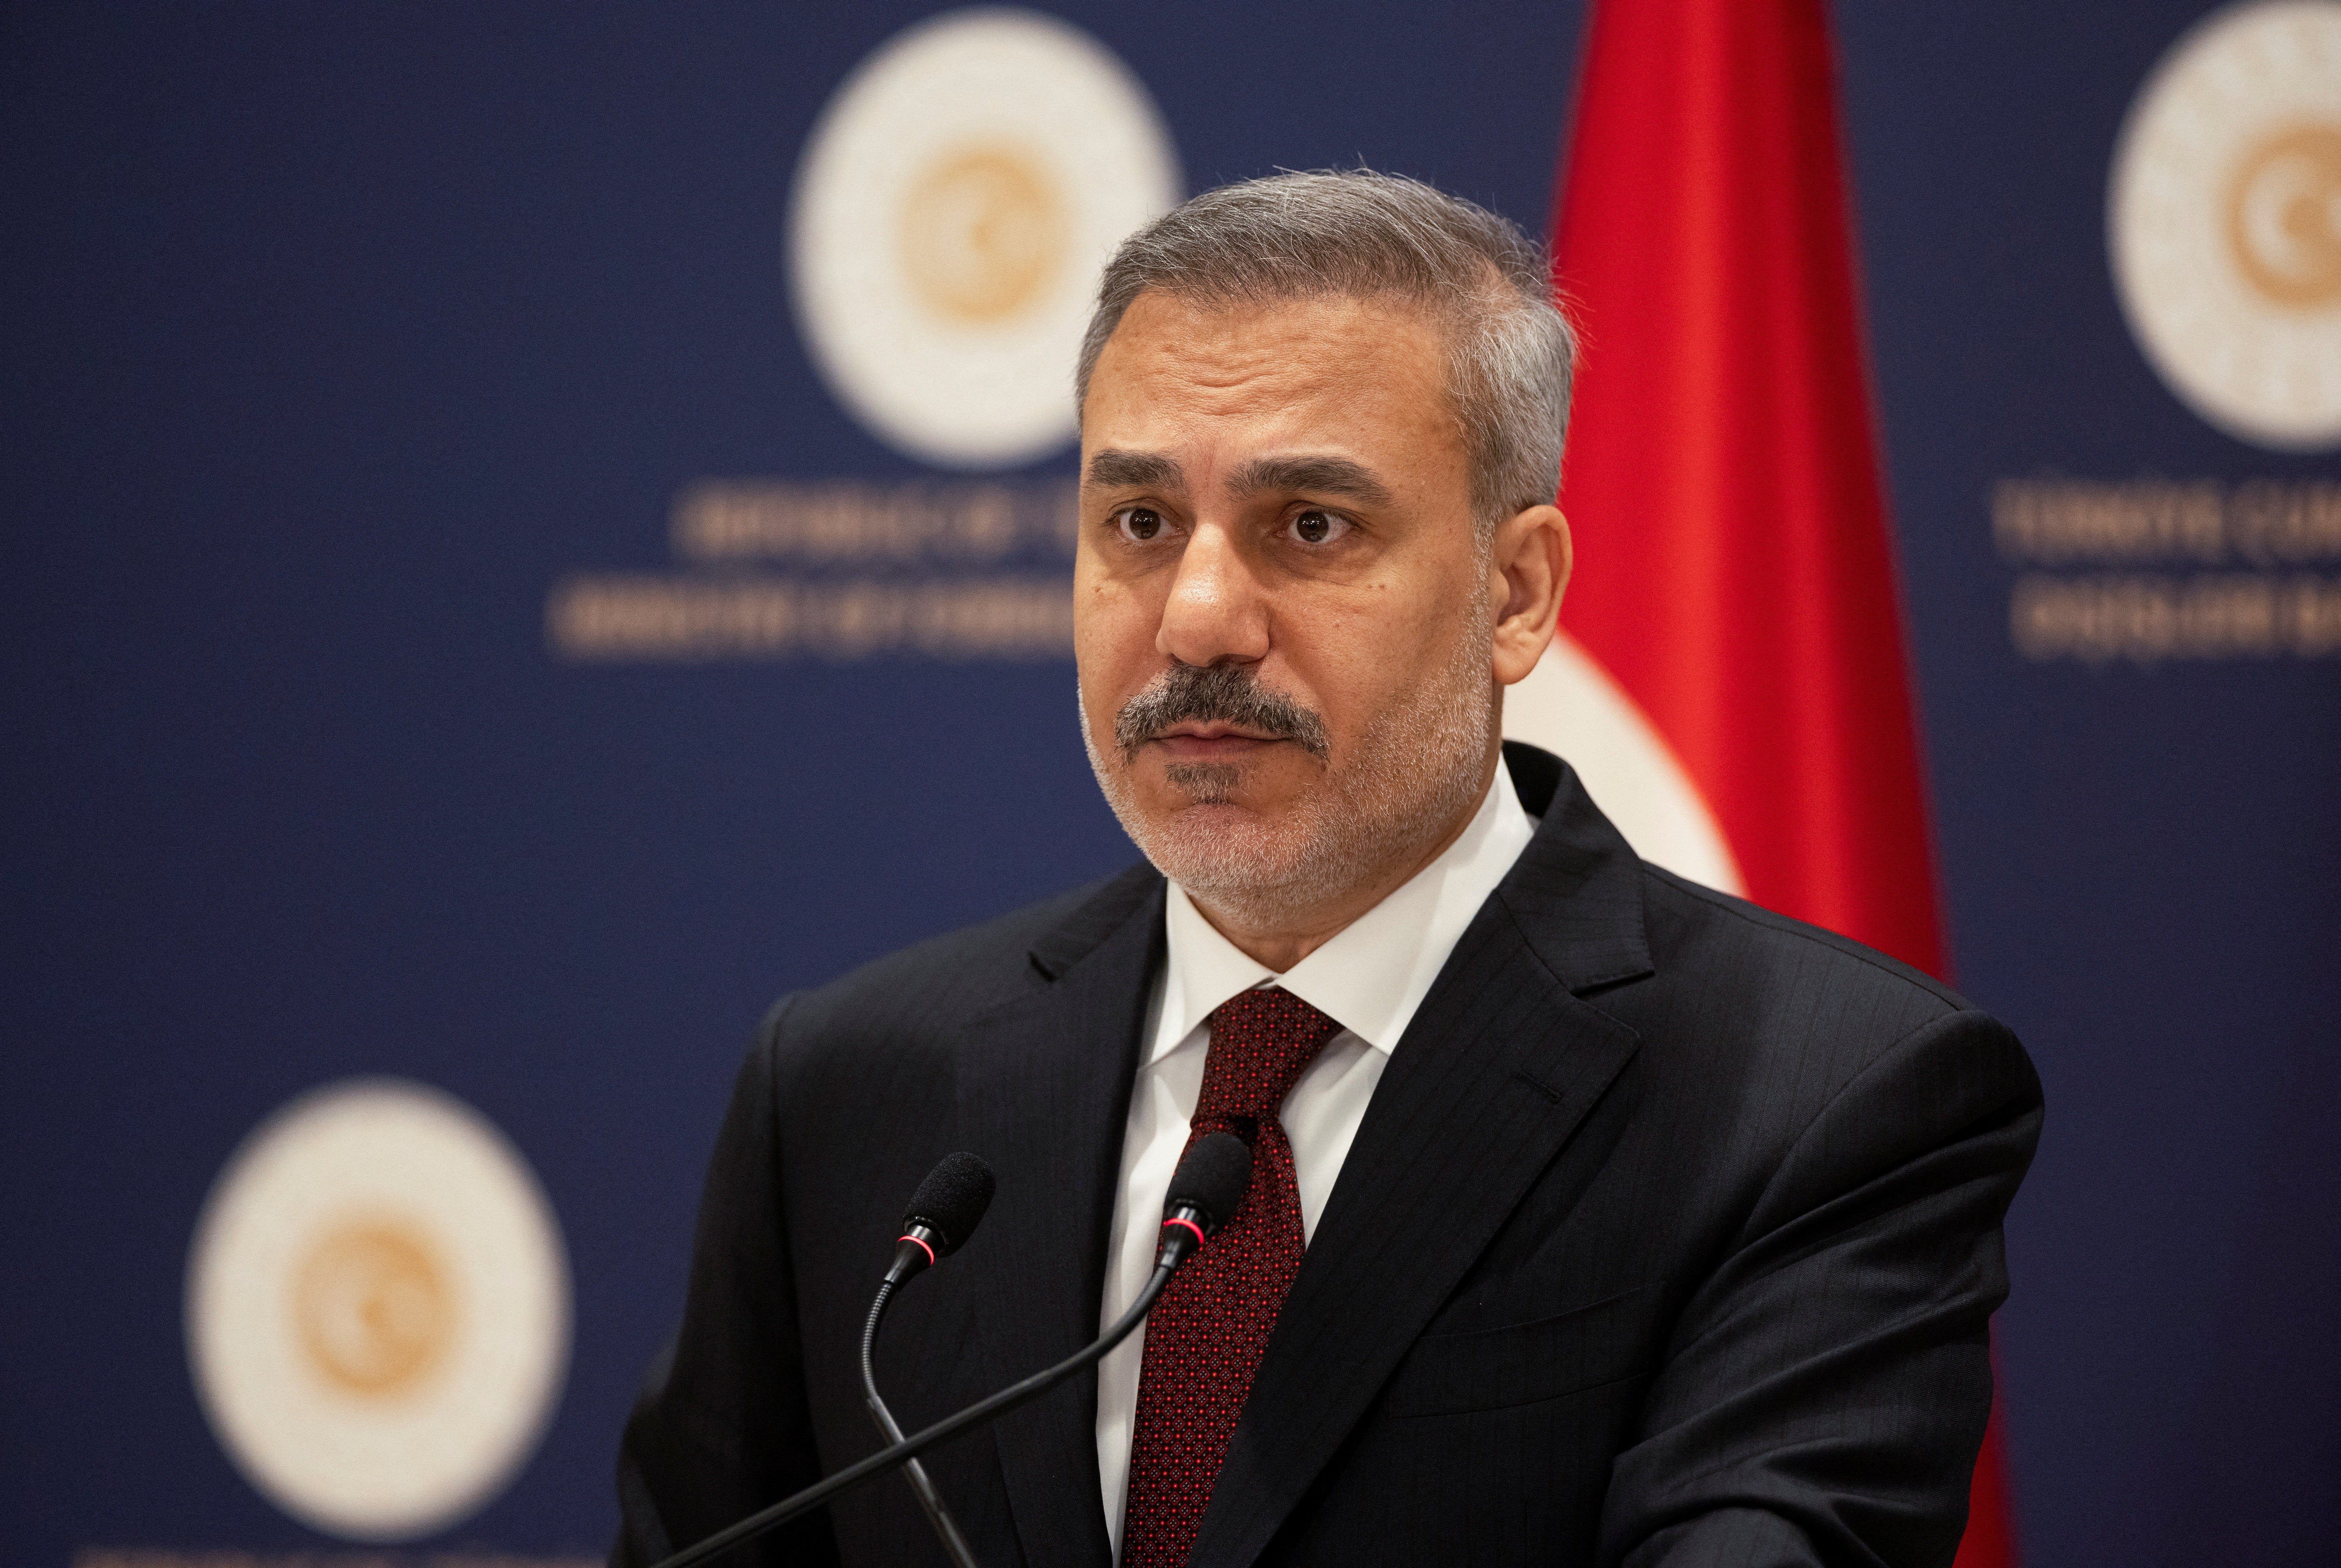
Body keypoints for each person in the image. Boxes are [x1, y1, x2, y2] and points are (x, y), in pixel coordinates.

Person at [611, 171, 2041, 1568]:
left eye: (1310, 525)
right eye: (1140, 522)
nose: (1197, 619)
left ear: (1516, 591)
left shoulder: (1820, 1102)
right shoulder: (852, 1087)